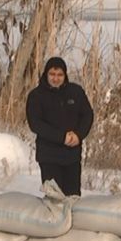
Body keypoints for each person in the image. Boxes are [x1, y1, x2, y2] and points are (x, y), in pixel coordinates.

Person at [26, 56, 94, 196]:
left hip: (72, 156)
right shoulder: (36, 96)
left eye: (59, 75)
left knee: (73, 198)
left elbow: (87, 115)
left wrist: (78, 135)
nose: (56, 78)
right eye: (52, 74)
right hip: (48, 156)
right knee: (54, 199)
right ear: (46, 74)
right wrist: (61, 137)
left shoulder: (76, 92)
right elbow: (35, 124)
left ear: (65, 75)